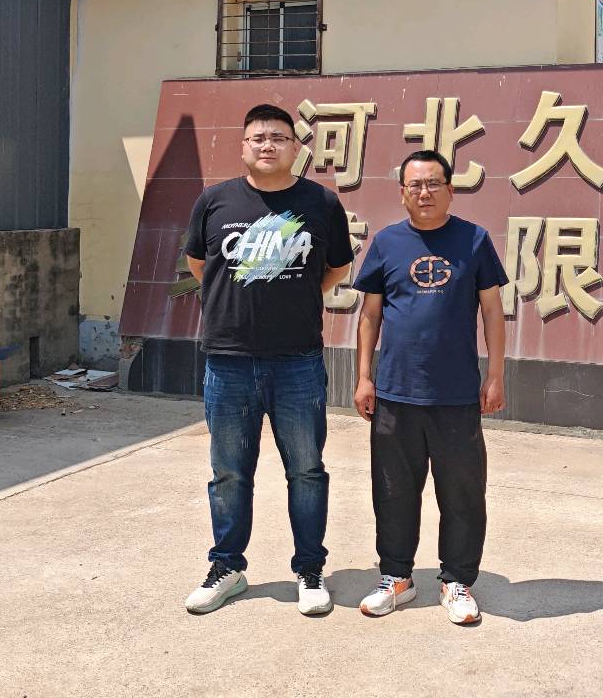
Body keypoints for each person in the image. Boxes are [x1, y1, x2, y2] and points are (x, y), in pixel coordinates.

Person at [181, 103, 352, 617]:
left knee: (307, 470)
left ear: (296, 148)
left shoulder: (321, 202)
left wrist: (291, 297)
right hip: (227, 360)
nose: (267, 145)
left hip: (297, 361)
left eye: (278, 137)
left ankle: (310, 569)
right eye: (258, 137)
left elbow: (336, 269)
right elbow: (200, 264)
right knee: (229, 473)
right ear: (243, 146)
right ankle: (227, 567)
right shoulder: (214, 201)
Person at [351, 149, 508, 625]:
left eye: (433, 183)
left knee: (462, 492)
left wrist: (496, 373)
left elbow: (492, 311)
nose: (424, 192)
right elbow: (370, 315)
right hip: (395, 391)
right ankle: (397, 577)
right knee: (393, 490)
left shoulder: (474, 240)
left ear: (450, 190)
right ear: (402, 192)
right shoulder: (387, 242)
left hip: (456, 393)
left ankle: (456, 580)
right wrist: (364, 376)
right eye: (415, 185)